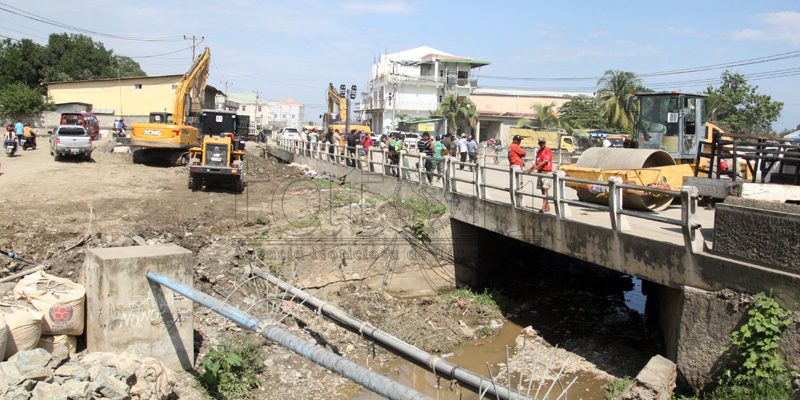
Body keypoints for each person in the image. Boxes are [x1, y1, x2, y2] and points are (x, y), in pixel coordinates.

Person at [527, 137, 553, 213]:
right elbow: (537, 162)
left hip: (546, 172)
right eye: (540, 143)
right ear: (539, 144)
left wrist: (535, 168)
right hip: (540, 171)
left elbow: (545, 161)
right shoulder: (539, 151)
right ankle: (547, 206)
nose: (541, 144)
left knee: (545, 189)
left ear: (545, 143)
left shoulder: (547, 150)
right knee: (542, 190)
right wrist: (530, 169)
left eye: (543, 143)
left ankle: (543, 207)